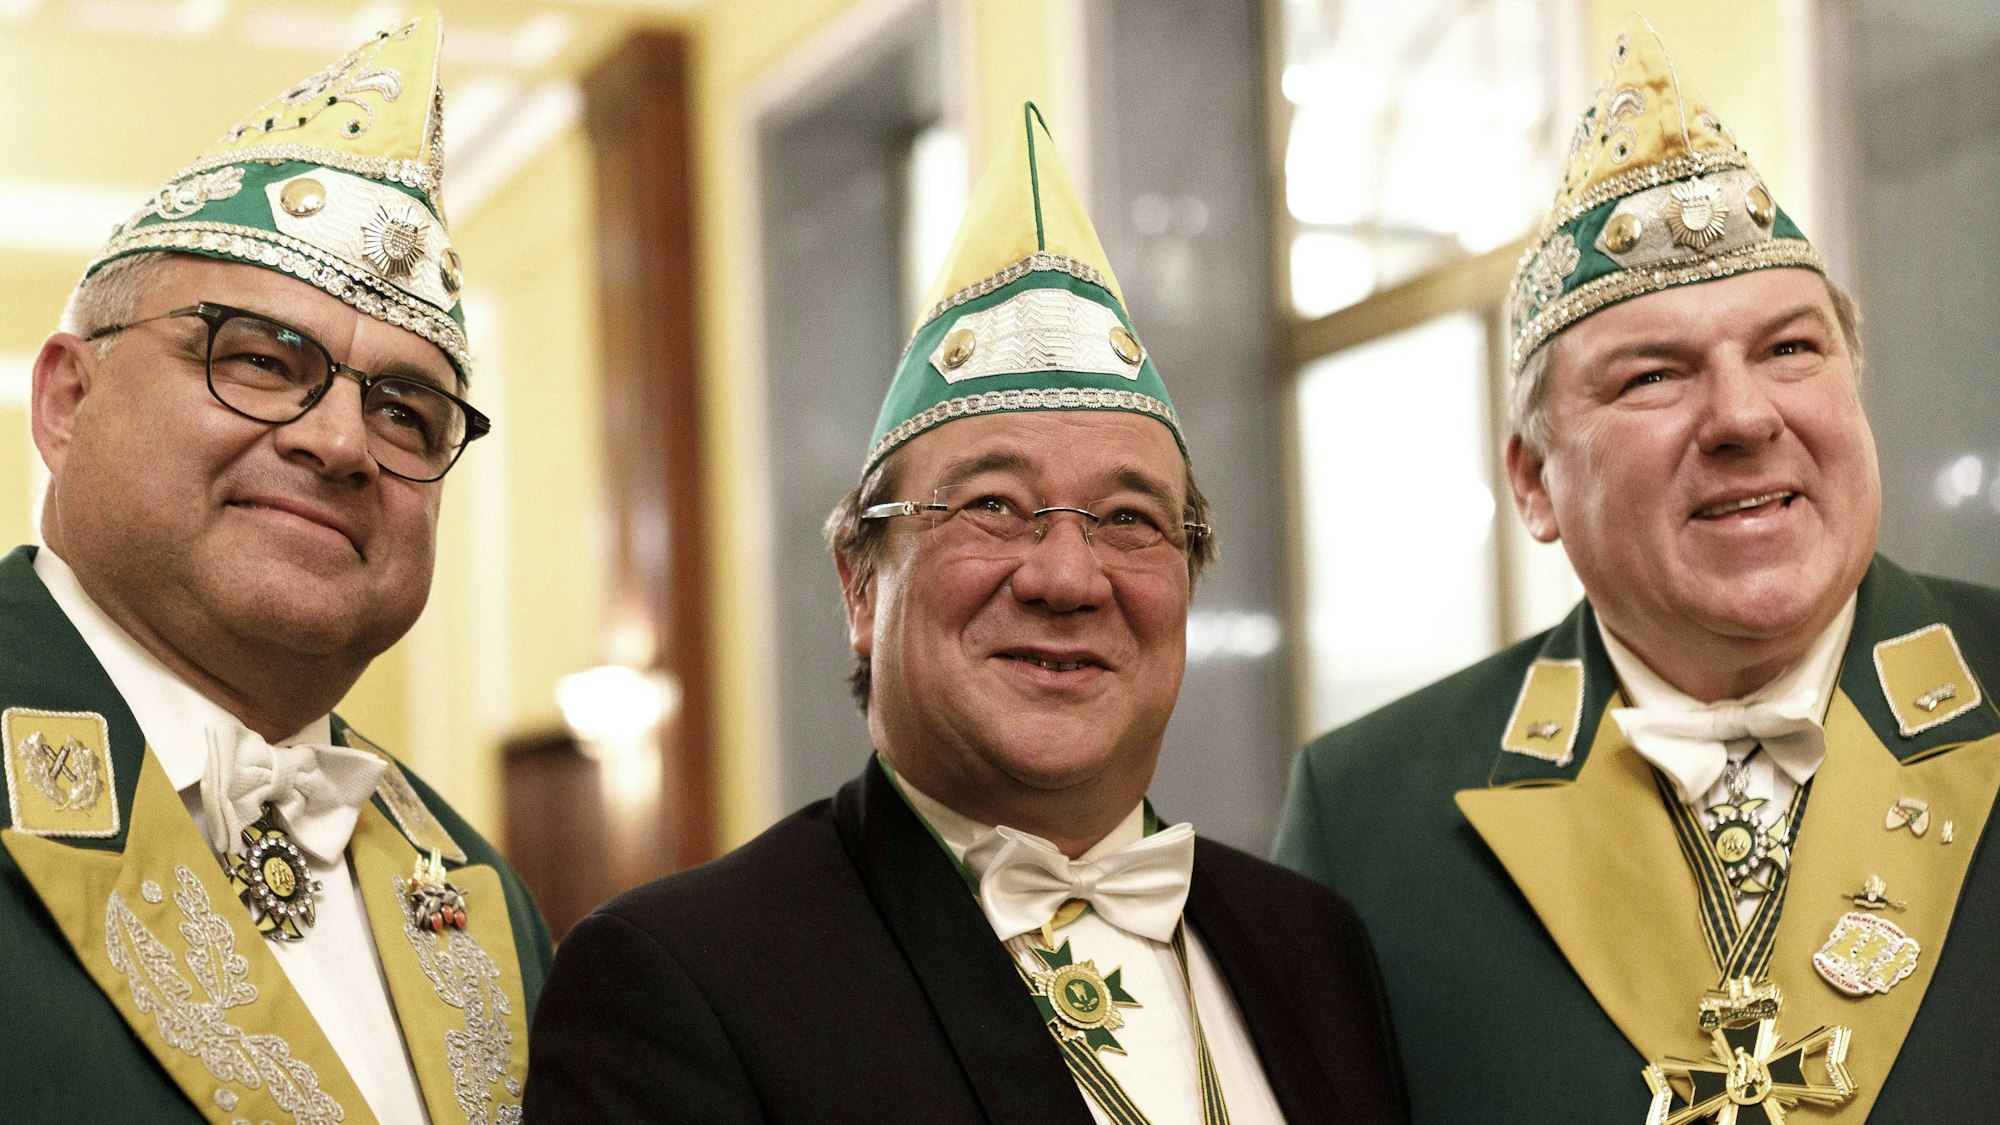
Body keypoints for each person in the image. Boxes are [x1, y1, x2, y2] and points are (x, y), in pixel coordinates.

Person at [525, 103, 1406, 1125]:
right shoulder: (686, 979)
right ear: (859, 585)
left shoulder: (1313, 946)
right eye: (992, 507)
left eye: (1128, 519)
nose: (1068, 578)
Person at [1274, 16, 2000, 1124]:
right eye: (1651, 377)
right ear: (1530, 481)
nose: (1742, 417)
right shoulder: (1367, 815)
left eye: (1788, 349)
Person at [0, 8, 551, 1122]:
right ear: (66, 401)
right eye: (256, 359)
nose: (340, 443)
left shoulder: (483, 893)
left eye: (407, 411)